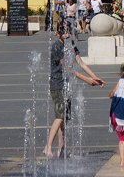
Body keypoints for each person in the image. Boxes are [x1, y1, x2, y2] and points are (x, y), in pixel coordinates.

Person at [44, 23, 104, 158]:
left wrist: (95, 77)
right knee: (60, 116)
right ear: (58, 33)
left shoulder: (70, 44)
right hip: (58, 84)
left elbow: (81, 63)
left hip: (66, 85)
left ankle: (61, 150)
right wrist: (87, 80)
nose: (66, 34)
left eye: (68, 31)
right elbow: (67, 68)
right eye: (63, 32)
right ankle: (48, 146)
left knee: (64, 119)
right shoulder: (57, 46)